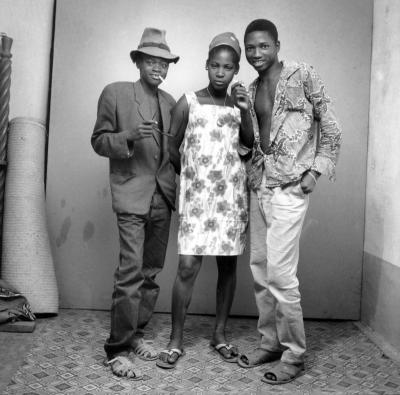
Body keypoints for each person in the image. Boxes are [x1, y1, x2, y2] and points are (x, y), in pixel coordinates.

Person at [231, 19, 342, 384]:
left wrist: (316, 171)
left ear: (277, 45)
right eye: (250, 48)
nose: (256, 53)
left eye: (263, 46)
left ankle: (294, 356)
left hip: (292, 187)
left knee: (280, 274)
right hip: (259, 186)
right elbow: (249, 144)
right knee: (261, 270)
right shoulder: (250, 87)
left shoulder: (302, 73)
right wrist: (243, 111)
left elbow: (331, 125)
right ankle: (270, 343)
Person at [91, 27, 179, 379]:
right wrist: (128, 136)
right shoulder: (115, 93)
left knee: (151, 273)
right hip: (131, 193)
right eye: (152, 60)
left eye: (165, 62)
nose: (159, 67)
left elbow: (175, 153)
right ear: (138, 61)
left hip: (164, 196)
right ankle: (117, 349)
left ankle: (138, 333)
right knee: (130, 272)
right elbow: (98, 141)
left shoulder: (172, 103)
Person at [156, 32, 248, 369]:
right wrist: (192, 175)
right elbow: (171, 147)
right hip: (197, 199)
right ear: (206, 65)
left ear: (236, 69)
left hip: (231, 199)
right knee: (187, 267)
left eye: (227, 67)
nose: (220, 72)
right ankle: (175, 340)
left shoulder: (241, 105)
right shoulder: (188, 102)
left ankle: (219, 335)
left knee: (227, 267)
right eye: (215, 65)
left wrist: (245, 111)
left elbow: (249, 145)